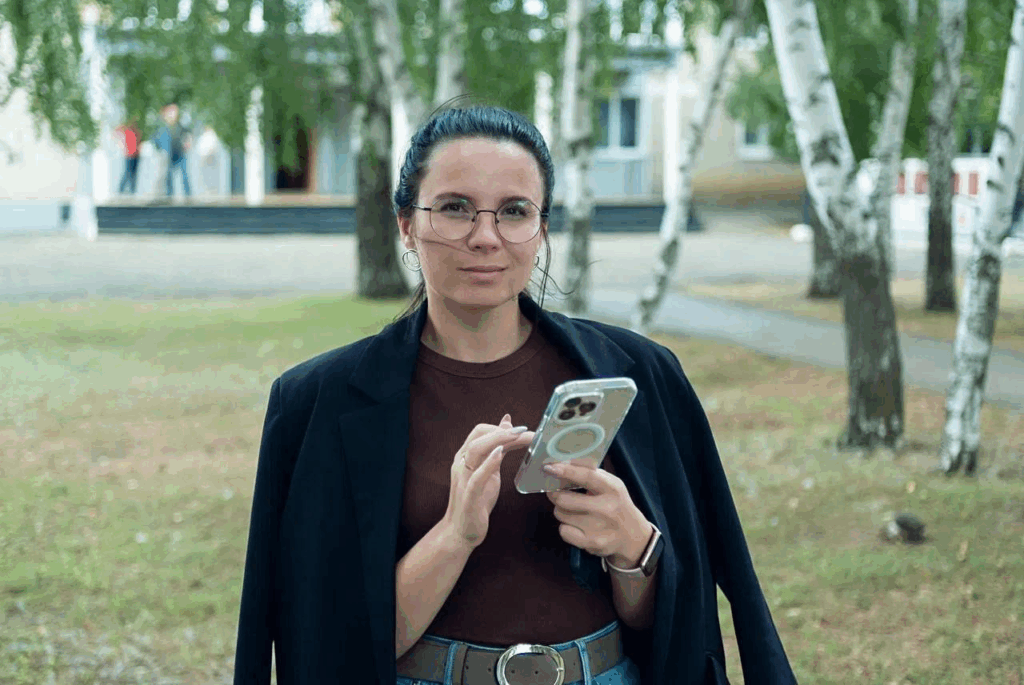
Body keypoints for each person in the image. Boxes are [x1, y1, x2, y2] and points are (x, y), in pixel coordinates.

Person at [232, 105, 797, 685]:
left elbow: (680, 630)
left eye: (514, 211)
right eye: (454, 208)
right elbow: (334, 646)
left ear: (542, 228)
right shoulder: (318, 404)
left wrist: (635, 550)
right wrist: (455, 536)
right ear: (406, 224)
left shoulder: (643, 375)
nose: (485, 237)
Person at [157, 103, 191, 198]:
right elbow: (158, 141)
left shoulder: (179, 126)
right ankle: (169, 195)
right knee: (168, 176)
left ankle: (188, 196)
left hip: (180, 153)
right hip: (169, 155)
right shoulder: (164, 128)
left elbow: (187, 134)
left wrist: (188, 142)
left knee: (184, 175)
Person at [116, 119, 140, 195]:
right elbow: (117, 130)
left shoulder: (136, 132)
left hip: (136, 155)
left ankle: (132, 191)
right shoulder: (127, 131)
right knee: (127, 174)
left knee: (133, 175)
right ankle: (120, 191)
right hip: (129, 156)